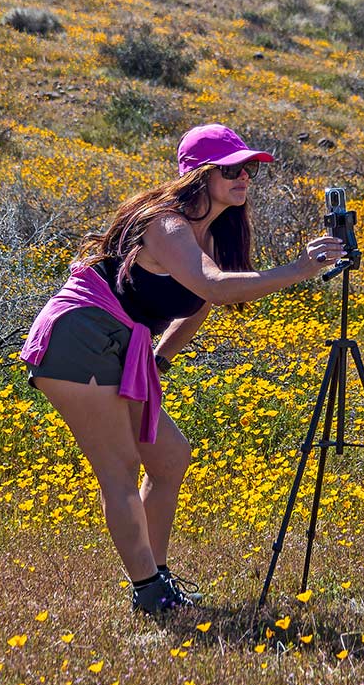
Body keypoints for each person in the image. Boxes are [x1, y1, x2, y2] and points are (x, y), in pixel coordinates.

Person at [20, 124, 347, 616]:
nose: (244, 178)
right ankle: (150, 592)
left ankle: (158, 575)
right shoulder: (165, 223)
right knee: (120, 467)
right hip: (79, 336)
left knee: (170, 457)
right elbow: (212, 286)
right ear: (200, 174)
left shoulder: (207, 235)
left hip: (120, 345)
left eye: (249, 169)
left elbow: (197, 304)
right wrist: (300, 270)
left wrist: (161, 359)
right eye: (231, 169)